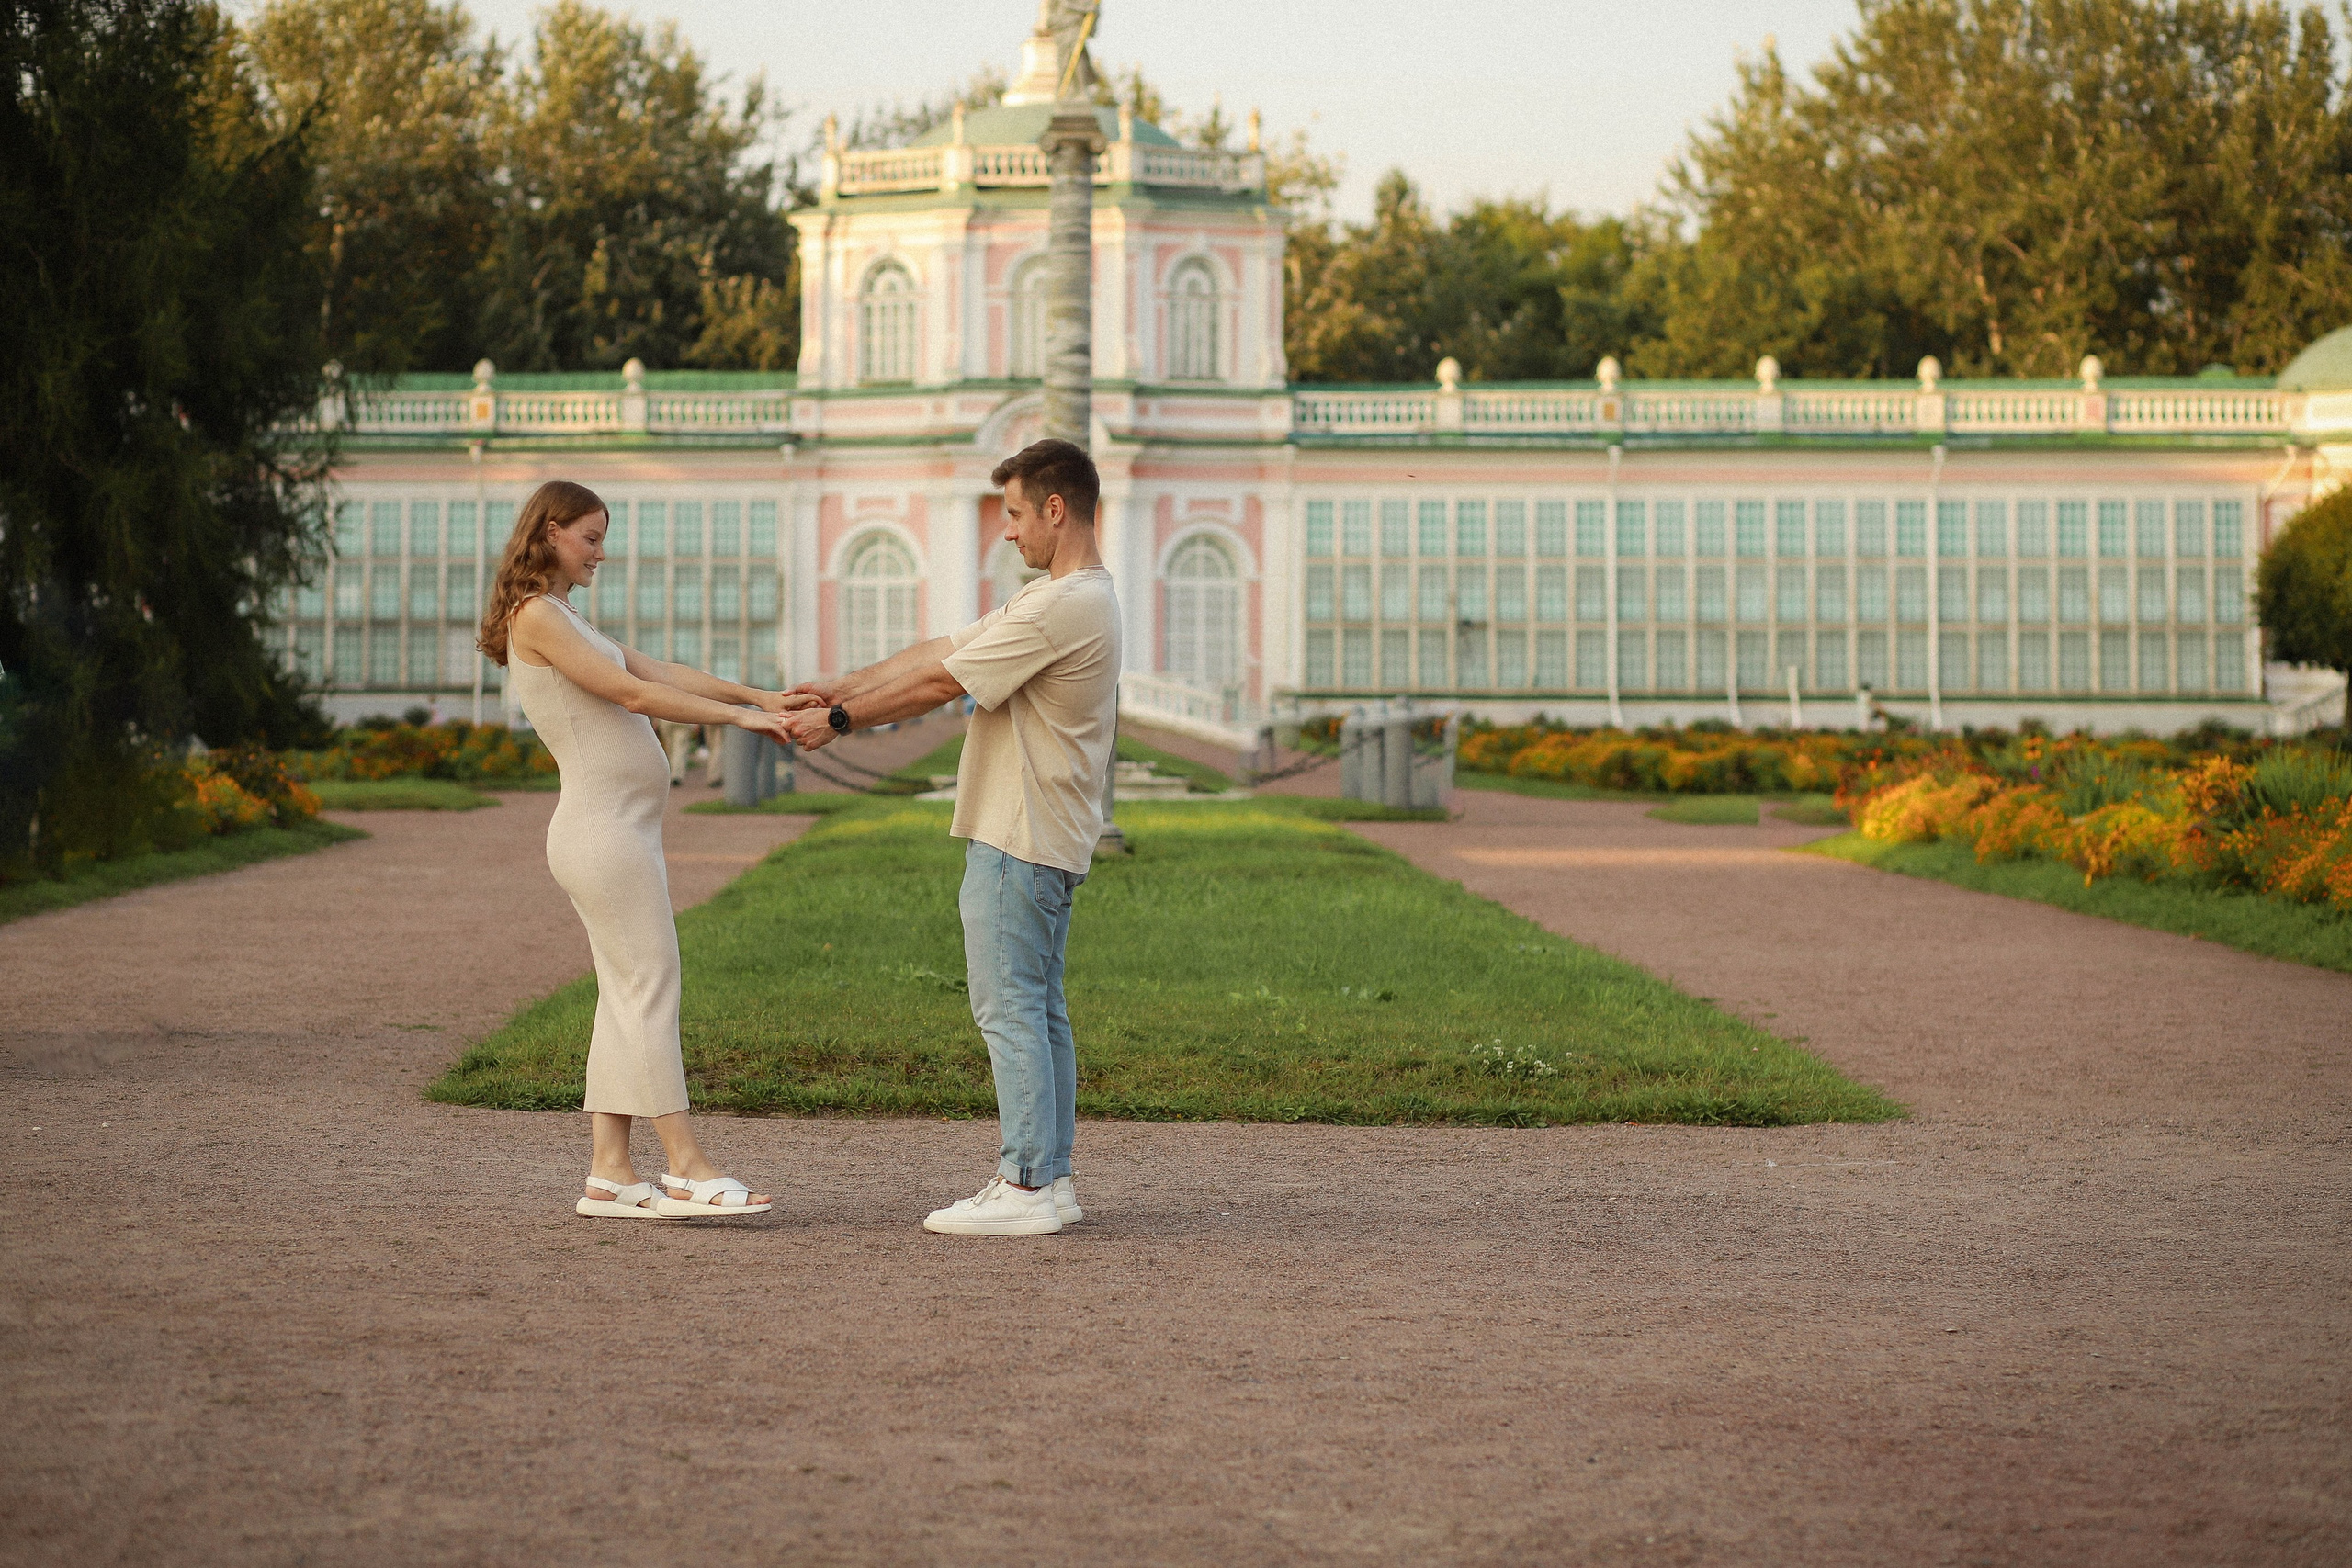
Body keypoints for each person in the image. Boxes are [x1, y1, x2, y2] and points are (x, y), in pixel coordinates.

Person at [784, 439, 1120, 1237]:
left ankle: (1026, 1182)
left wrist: (838, 720)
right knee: (1039, 1012)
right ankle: (1052, 1178)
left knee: (1009, 1009)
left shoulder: (1059, 606)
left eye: (1011, 513)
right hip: (1045, 832)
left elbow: (945, 682)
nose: (1005, 532)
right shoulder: (1073, 597)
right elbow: (944, 648)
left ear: (1054, 509)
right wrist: (846, 683)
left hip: (1019, 832)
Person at [480, 479, 811, 1220]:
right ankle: (687, 1168)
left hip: (620, 833)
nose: (602, 552)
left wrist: (761, 699)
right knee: (650, 985)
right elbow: (631, 696)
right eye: (590, 537)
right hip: (601, 834)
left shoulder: (566, 614)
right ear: (551, 532)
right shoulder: (537, 616)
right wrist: (736, 721)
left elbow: (658, 672)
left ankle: (610, 1172)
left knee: (625, 994)